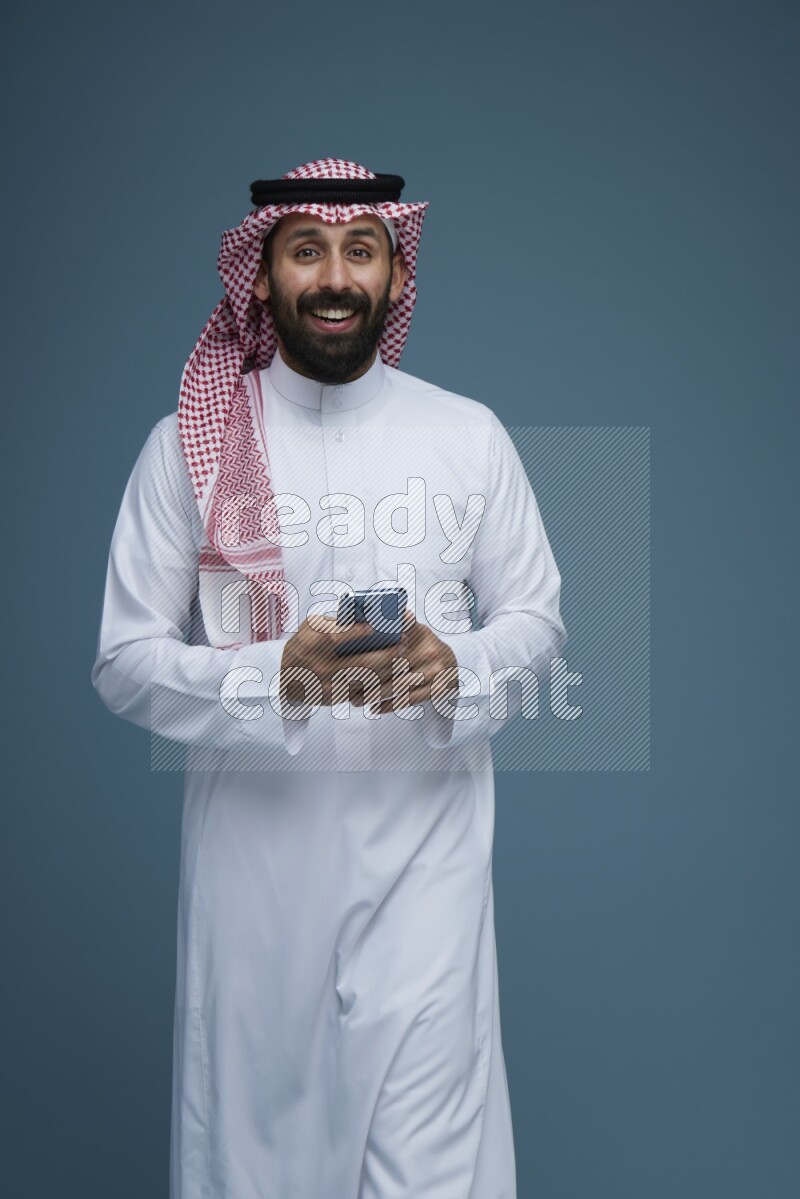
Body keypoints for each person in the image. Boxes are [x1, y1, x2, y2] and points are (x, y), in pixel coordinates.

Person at [92, 158, 566, 1199]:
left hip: (425, 889)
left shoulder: (466, 435)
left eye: (360, 250)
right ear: (258, 278)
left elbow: (537, 622)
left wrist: (458, 662)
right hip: (256, 896)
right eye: (305, 251)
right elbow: (123, 662)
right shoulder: (186, 446)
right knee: (259, 1172)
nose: (334, 276)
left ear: (396, 277)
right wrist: (275, 679)